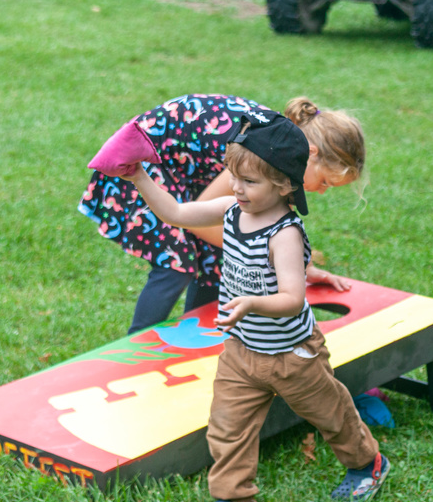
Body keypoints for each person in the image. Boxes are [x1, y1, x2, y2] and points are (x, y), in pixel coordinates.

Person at [121, 111, 389, 502]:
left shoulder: (285, 234)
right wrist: (138, 175)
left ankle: (367, 464)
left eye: (249, 181)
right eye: (234, 176)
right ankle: (235, 499)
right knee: (227, 427)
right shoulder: (232, 209)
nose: (236, 187)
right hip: (242, 351)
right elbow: (176, 213)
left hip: (292, 355)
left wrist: (249, 303)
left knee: (331, 415)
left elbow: (292, 299)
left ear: (283, 184)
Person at [79, 93, 366, 334]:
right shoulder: (261, 152)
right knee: (176, 261)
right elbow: (203, 224)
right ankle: (136, 351)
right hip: (139, 159)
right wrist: (267, 257)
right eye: (325, 181)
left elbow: (268, 225)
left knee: (218, 259)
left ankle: (201, 337)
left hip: (183, 172)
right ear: (311, 153)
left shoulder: (279, 148)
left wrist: (299, 267)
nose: (322, 191)